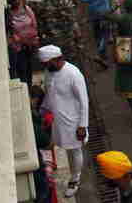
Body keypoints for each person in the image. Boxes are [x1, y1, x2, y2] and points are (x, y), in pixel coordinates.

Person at [39, 45, 90, 199]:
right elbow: (49, 94)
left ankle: (75, 179)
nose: (46, 67)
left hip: (73, 122)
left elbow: (84, 101)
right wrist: (43, 110)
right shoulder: (49, 72)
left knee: (75, 151)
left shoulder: (73, 74)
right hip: (57, 120)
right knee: (56, 145)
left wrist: (82, 125)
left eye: (47, 63)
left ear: (56, 59)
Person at [32, 0, 82, 67]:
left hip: (53, 44)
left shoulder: (41, 6)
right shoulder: (67, 4)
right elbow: (74, 25)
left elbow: (40, 28)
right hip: (68, 43)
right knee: (72, 67)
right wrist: (79, 42)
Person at [79, 0, 115, 68]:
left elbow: (85, 0)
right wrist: (113, 3)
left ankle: (101, 54)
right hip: (105, 9)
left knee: (97, 34)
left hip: (93, 11)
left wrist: (84, 15)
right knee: (106, 32)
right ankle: (103, 53)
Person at [6, 0, 40, 84]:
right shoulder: (9, 14)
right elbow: (11, 33)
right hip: (19, 48)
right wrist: (20, 40)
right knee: (22, 70)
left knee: (29, 69)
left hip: (29, 46)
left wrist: (33, 41)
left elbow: (34, 25)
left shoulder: (27, 9)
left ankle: (29, 87)